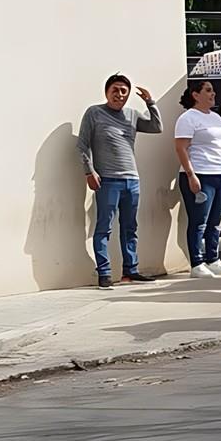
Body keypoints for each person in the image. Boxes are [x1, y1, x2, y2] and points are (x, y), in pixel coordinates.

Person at [77, 73, 162, 289]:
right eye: (115, 90)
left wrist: (150, 102)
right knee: (104, 227)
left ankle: (131, 270)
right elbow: (82, 145)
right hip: (107, 180)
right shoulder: (94, 113)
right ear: (106, 92)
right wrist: (89, 171)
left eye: (124, 91)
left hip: (132, 179)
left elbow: (156, 127)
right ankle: (104, 272)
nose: (120, 94)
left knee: (130, 227)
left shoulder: (132, 115)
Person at [174, 79, 221, 278]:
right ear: (196, 95)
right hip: (201, 173)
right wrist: (191, 175)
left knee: (215, 220)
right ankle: (197, 262)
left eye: (213, 91)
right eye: (208, 91)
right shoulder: (188, 118)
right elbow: (181, 148)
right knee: (199, 220)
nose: (213, 94)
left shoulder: (216, 117)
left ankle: (213, 258)